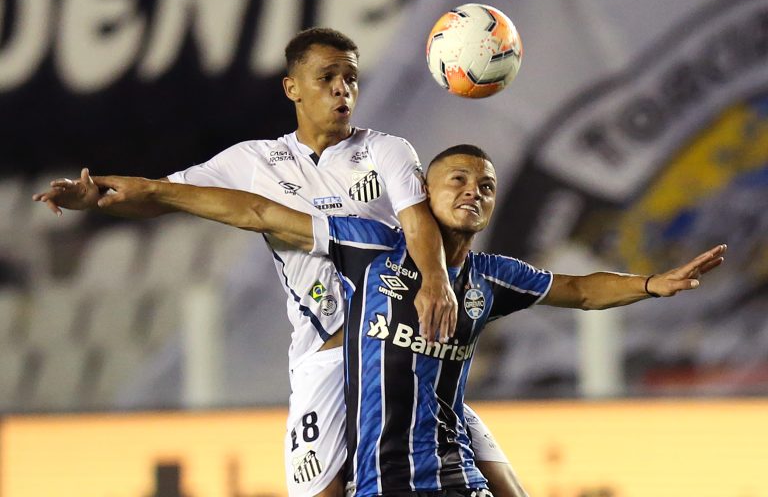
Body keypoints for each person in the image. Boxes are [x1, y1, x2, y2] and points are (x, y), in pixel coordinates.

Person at [32, 29, 523, 497]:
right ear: (293, 87)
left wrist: (434, 280)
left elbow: (417, 222)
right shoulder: (253, 162)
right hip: (325, 356)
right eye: (327, 77)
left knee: (502, 483)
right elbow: (166, 198)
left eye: (351, 77)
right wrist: (96, 197)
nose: (343, 90)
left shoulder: (386, 150)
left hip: (397, 352)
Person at [85, 144, 726, 496]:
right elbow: (257, 212)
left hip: (456, 473)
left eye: (486, 184)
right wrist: (150, 189)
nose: (473, 190)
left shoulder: (492, 277)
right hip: (386, 483)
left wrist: (650, 283)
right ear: (422, 188)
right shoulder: (369, 245)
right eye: (457, 179)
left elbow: (580, 290)